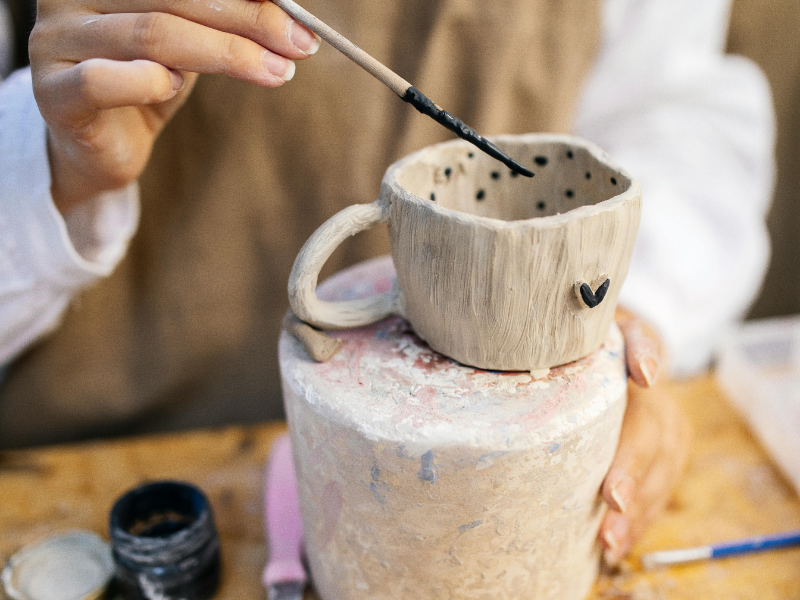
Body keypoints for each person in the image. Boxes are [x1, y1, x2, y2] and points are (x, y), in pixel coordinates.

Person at [0, 0, 774, 564]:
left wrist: (626, 310)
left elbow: (676, 116)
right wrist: (59, 163)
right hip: (88, 467)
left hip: (513, 473)